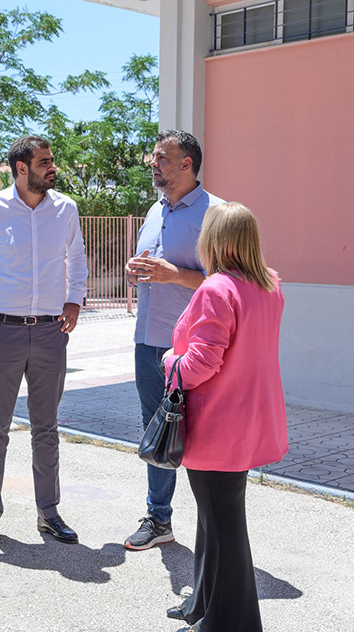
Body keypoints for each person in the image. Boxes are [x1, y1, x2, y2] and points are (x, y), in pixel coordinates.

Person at [0, 135, 88, 549]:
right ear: (21, 169)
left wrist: (75, 299)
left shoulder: (65, 209)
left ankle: (49, 513)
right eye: (44, 162)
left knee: (47, 428)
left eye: (51, 160)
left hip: (50, 332)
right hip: (2, 332)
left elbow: (77, 258)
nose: (52, 167)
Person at [161, 202, 288, 632]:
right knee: (213, 521)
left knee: (224, 528)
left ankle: (229, 624)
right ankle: (201, 604)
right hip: (249, 421)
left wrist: (169, 361)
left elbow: (201, 363)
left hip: (217, 425)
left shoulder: (218, 289)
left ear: (214, 240)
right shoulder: (269, 284)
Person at [123, 130, 224, 551]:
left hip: (192, 347)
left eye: (161, 157)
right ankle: (159, 518)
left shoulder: (216, 214)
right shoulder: (154, 210)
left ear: (186, 164)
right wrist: (136, 271)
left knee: (204, 433)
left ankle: (216, 527)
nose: (153, 163)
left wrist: (175, 275)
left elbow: (227, 282)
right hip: (148, 340)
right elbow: (155, 268)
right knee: (157, 430)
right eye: (154, 157)